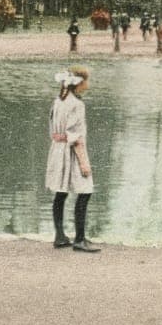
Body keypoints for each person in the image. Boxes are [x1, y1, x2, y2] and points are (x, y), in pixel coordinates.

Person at [46, 67, 100, 252]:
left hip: (57, 150)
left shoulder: (58, 101)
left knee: (61, 191)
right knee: (85, 191)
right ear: (79, 83)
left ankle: (60, 236)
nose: (88, 85)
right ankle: (79, 239)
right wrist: (84, 163)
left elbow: (53, 129)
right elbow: (76, 138)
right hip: (70, 150)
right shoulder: (77, 105)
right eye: (86, 81)